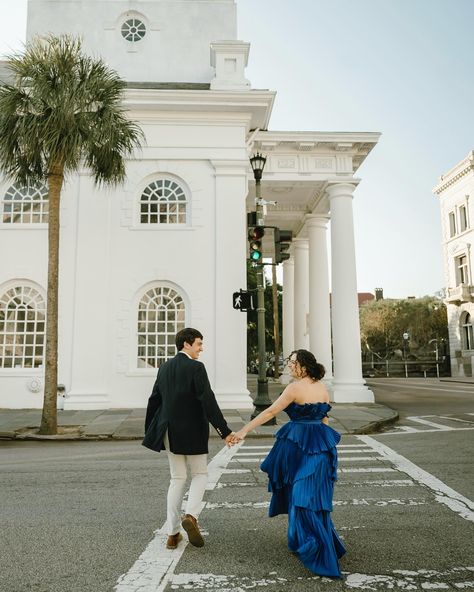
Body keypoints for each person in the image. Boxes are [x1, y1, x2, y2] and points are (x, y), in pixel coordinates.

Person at [232, 349, 346, 578]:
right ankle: (300, 539)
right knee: (306, 496)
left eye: (292, 362)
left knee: (304, 497)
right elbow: (324, 420)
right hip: (317, 446)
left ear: (303, 365)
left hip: (304, 446)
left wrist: (244, 430)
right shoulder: (322, 387)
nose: (289, 366)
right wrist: (328, 451)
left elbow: (272, 411)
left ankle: (317, 547)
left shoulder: (294, 388)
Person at [143, 327, 235, 550]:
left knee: (177, 479)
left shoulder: (164, 367)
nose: (201, 349)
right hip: (192, 429)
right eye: (199, 344)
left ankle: (172, 533)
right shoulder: (196, 367)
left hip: (169, 431)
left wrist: (151, 431)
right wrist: (225, 431)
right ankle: (191, 516)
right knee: (200, 474)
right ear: (186, 344)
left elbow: (154, 400)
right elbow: (208, 400)